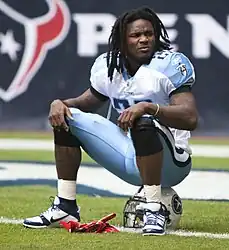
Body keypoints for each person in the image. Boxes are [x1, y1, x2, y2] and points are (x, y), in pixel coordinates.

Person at [23, 6, 198, 236]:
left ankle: (154, 208)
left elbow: (190, 117)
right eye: (136, 35)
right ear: (122, 41)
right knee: (66, 116)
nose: (144, 39)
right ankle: (65, 206)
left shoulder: (168, 64)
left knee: (143, 120)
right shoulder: (109, 66)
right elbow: (86, 102)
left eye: (149, 34)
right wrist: (60, 103)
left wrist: (148, 107)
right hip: (129, 156)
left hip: (171, 161)